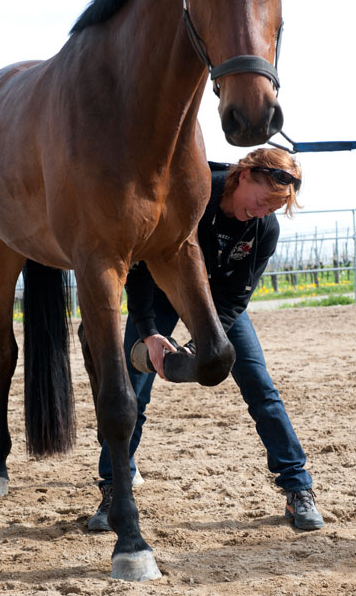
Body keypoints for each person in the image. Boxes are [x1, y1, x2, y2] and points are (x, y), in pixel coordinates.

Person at [88, 147, 324, 533]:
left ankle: (298, 489)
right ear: (244, 176)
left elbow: (235, 299)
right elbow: (145, 266)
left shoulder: (265, 229)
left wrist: (202, 345)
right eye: (263, 201)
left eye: (274, 208)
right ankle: (114, 489)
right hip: (163, 294)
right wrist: (148, 332)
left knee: (261, 389)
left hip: (217, 309)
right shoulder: (191, 196)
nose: (264, 212)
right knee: (132, 391)